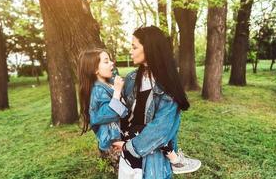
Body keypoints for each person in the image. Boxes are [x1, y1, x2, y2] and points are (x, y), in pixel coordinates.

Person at [77, 48, 200, 178]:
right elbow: (105, 115)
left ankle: (175, 160)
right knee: (155, 133)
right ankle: (176, 160)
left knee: (153, 133)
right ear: (95, 69)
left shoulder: (108, 84)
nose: (112, 63)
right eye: (106, 62)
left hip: (122, 129)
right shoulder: (97, 90)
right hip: (114, 135)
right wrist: (117, 93)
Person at [112, 26, 201, 179]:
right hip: (129, 154)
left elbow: (161, 129)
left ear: (149, 49)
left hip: (152, 158)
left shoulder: (168, 84)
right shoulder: (131, 79)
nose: (131, 51)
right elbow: (124, 114)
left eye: (134, 47)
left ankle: (177, 161)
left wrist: (129, 147)